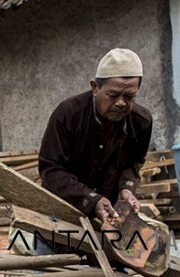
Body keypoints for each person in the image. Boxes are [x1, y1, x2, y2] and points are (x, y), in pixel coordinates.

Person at [39, 48, 153, 225]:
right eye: (113, 95)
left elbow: (134, 163)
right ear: (95, 87)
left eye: (129, 96)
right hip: (59, 215)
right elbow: (50, 170)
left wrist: (127, 187)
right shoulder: (68, 114)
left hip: (107, 218)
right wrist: (91, 199)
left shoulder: (141, 121)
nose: (121, 102)